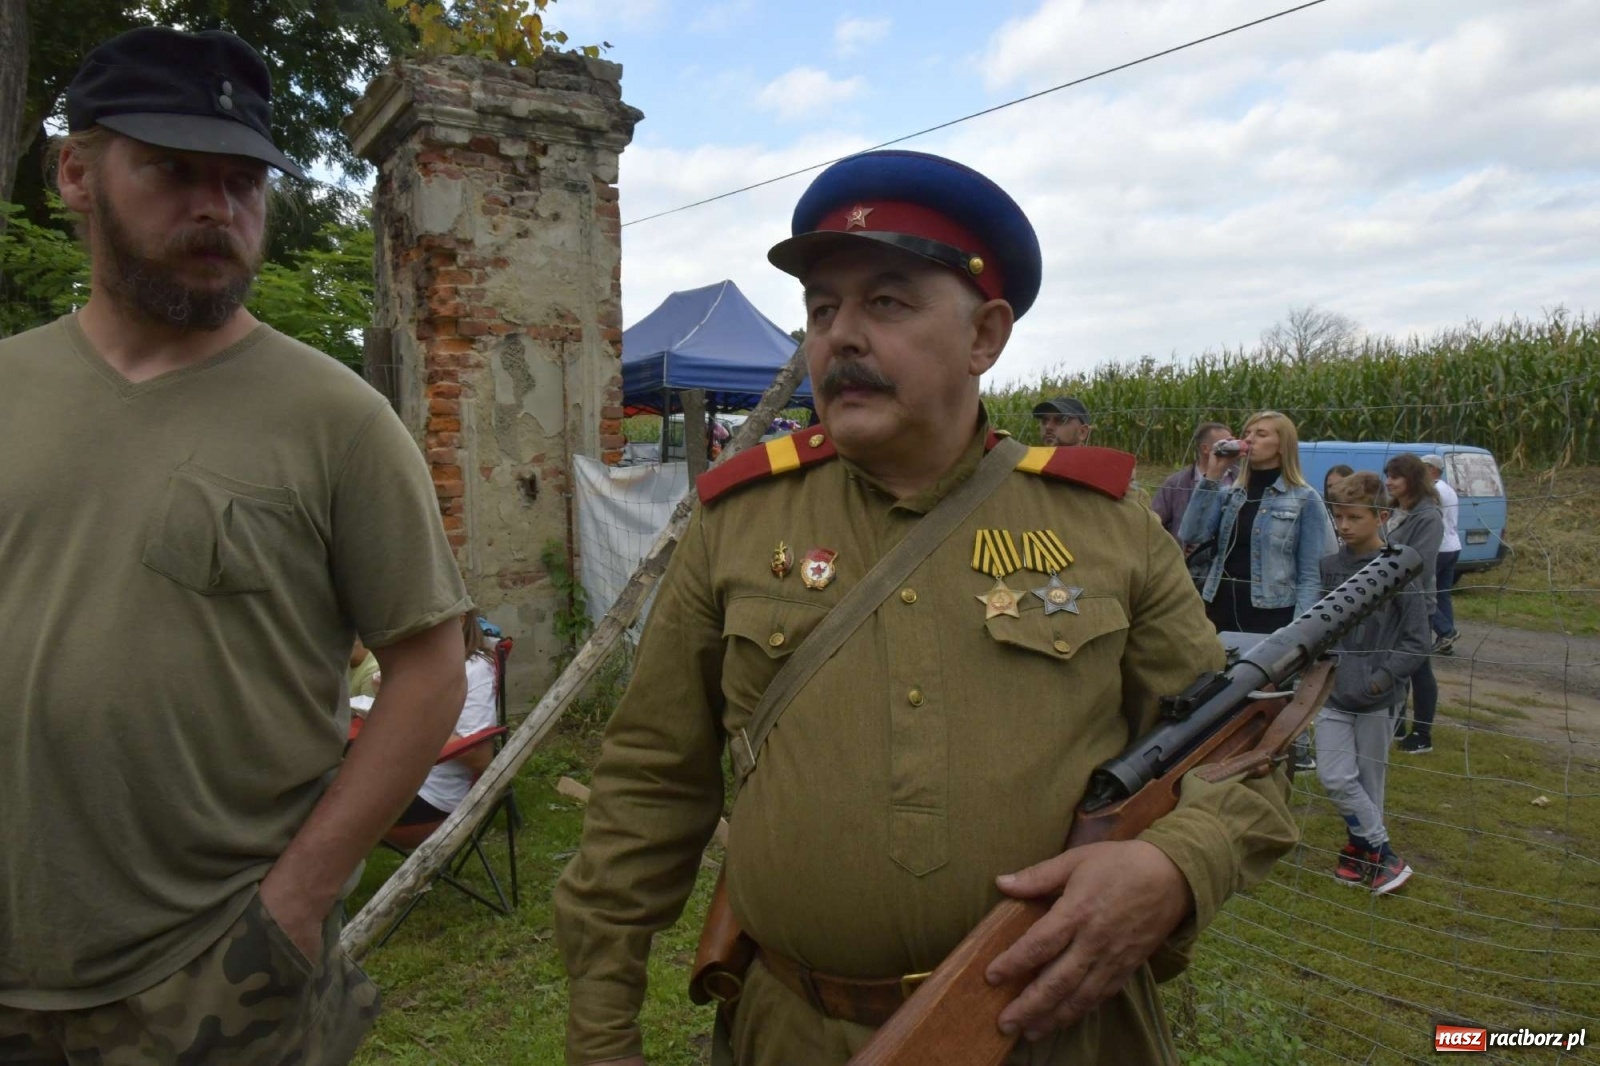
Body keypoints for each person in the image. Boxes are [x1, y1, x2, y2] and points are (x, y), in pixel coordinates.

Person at [553, 149, 1296, 1066]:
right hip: (793, 1034)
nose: (840, 337)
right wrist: (600, 1038)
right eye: (822, 309)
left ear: (985, 337)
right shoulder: (738, 522)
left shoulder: (1107, 527)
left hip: (1055, 1034)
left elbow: (1245, 762)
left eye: (887, 302)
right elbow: (647, 784)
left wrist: (1173, 868)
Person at [0, 27, 472, 1064]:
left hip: (215, 974)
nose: (217, 208)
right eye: (174, 172)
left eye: (243, 180)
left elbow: (432, 666)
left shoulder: (336, 420)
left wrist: (294, 905)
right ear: (77, 171)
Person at [1315, 473, 1427, 894]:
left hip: (1377, 698)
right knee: (1335, 776)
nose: (1343, 526)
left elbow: (1418, 640)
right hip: (1331, 692)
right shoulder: (1329, 567)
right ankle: (1385, 854)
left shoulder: (1399, 569)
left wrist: (1381, 680)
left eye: (1353, 517)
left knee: (1367, 782)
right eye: (1338, 516)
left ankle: (1359, 851)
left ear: (1381, 516)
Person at [1178, 410, 1329, 634]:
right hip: (1218, 608)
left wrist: (1299, 632)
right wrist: (1213, 476)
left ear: (1282, 445)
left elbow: (1310, 575)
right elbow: (1191, 534)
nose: (1249, 439)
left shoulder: (1305, 499)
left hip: (1271, 615)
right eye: (1247, 433)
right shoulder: (1230, 494)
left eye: (1261, 434)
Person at [386, 611, 500, 841]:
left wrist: (409, 718)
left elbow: (479, 755)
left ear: (460, 619)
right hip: (399, 779)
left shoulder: (474, 670)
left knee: (320, 806)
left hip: (431, 797)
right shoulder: (434, 664)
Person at [1384, 454, 1445, 754]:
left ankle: (1423, 734)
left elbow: (1422, 564)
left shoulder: (1428, 517)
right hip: (1387, 600)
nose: (1389, 481)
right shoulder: (1393, 510)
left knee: (1419, 667)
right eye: (1388, 475)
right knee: (1394, 662)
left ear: (1413, 479)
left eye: (1396, 476)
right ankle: (1397, 722)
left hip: (1416, 602)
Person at [1151, 421, 1233, 542]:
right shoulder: (1176, 483)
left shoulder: (1240, 479)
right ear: (1205, 449)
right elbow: (1154, 524)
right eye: (1225, 444)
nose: (1233, 447)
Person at [1422, 454, 1461, 653]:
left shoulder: (1433, 490)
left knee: (1422, 593)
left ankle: (1446, 631)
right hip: (1453, 546)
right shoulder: (1448, 489)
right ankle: (1446, 641)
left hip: (1438, 547)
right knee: (1443, 595)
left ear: (1431, 469)